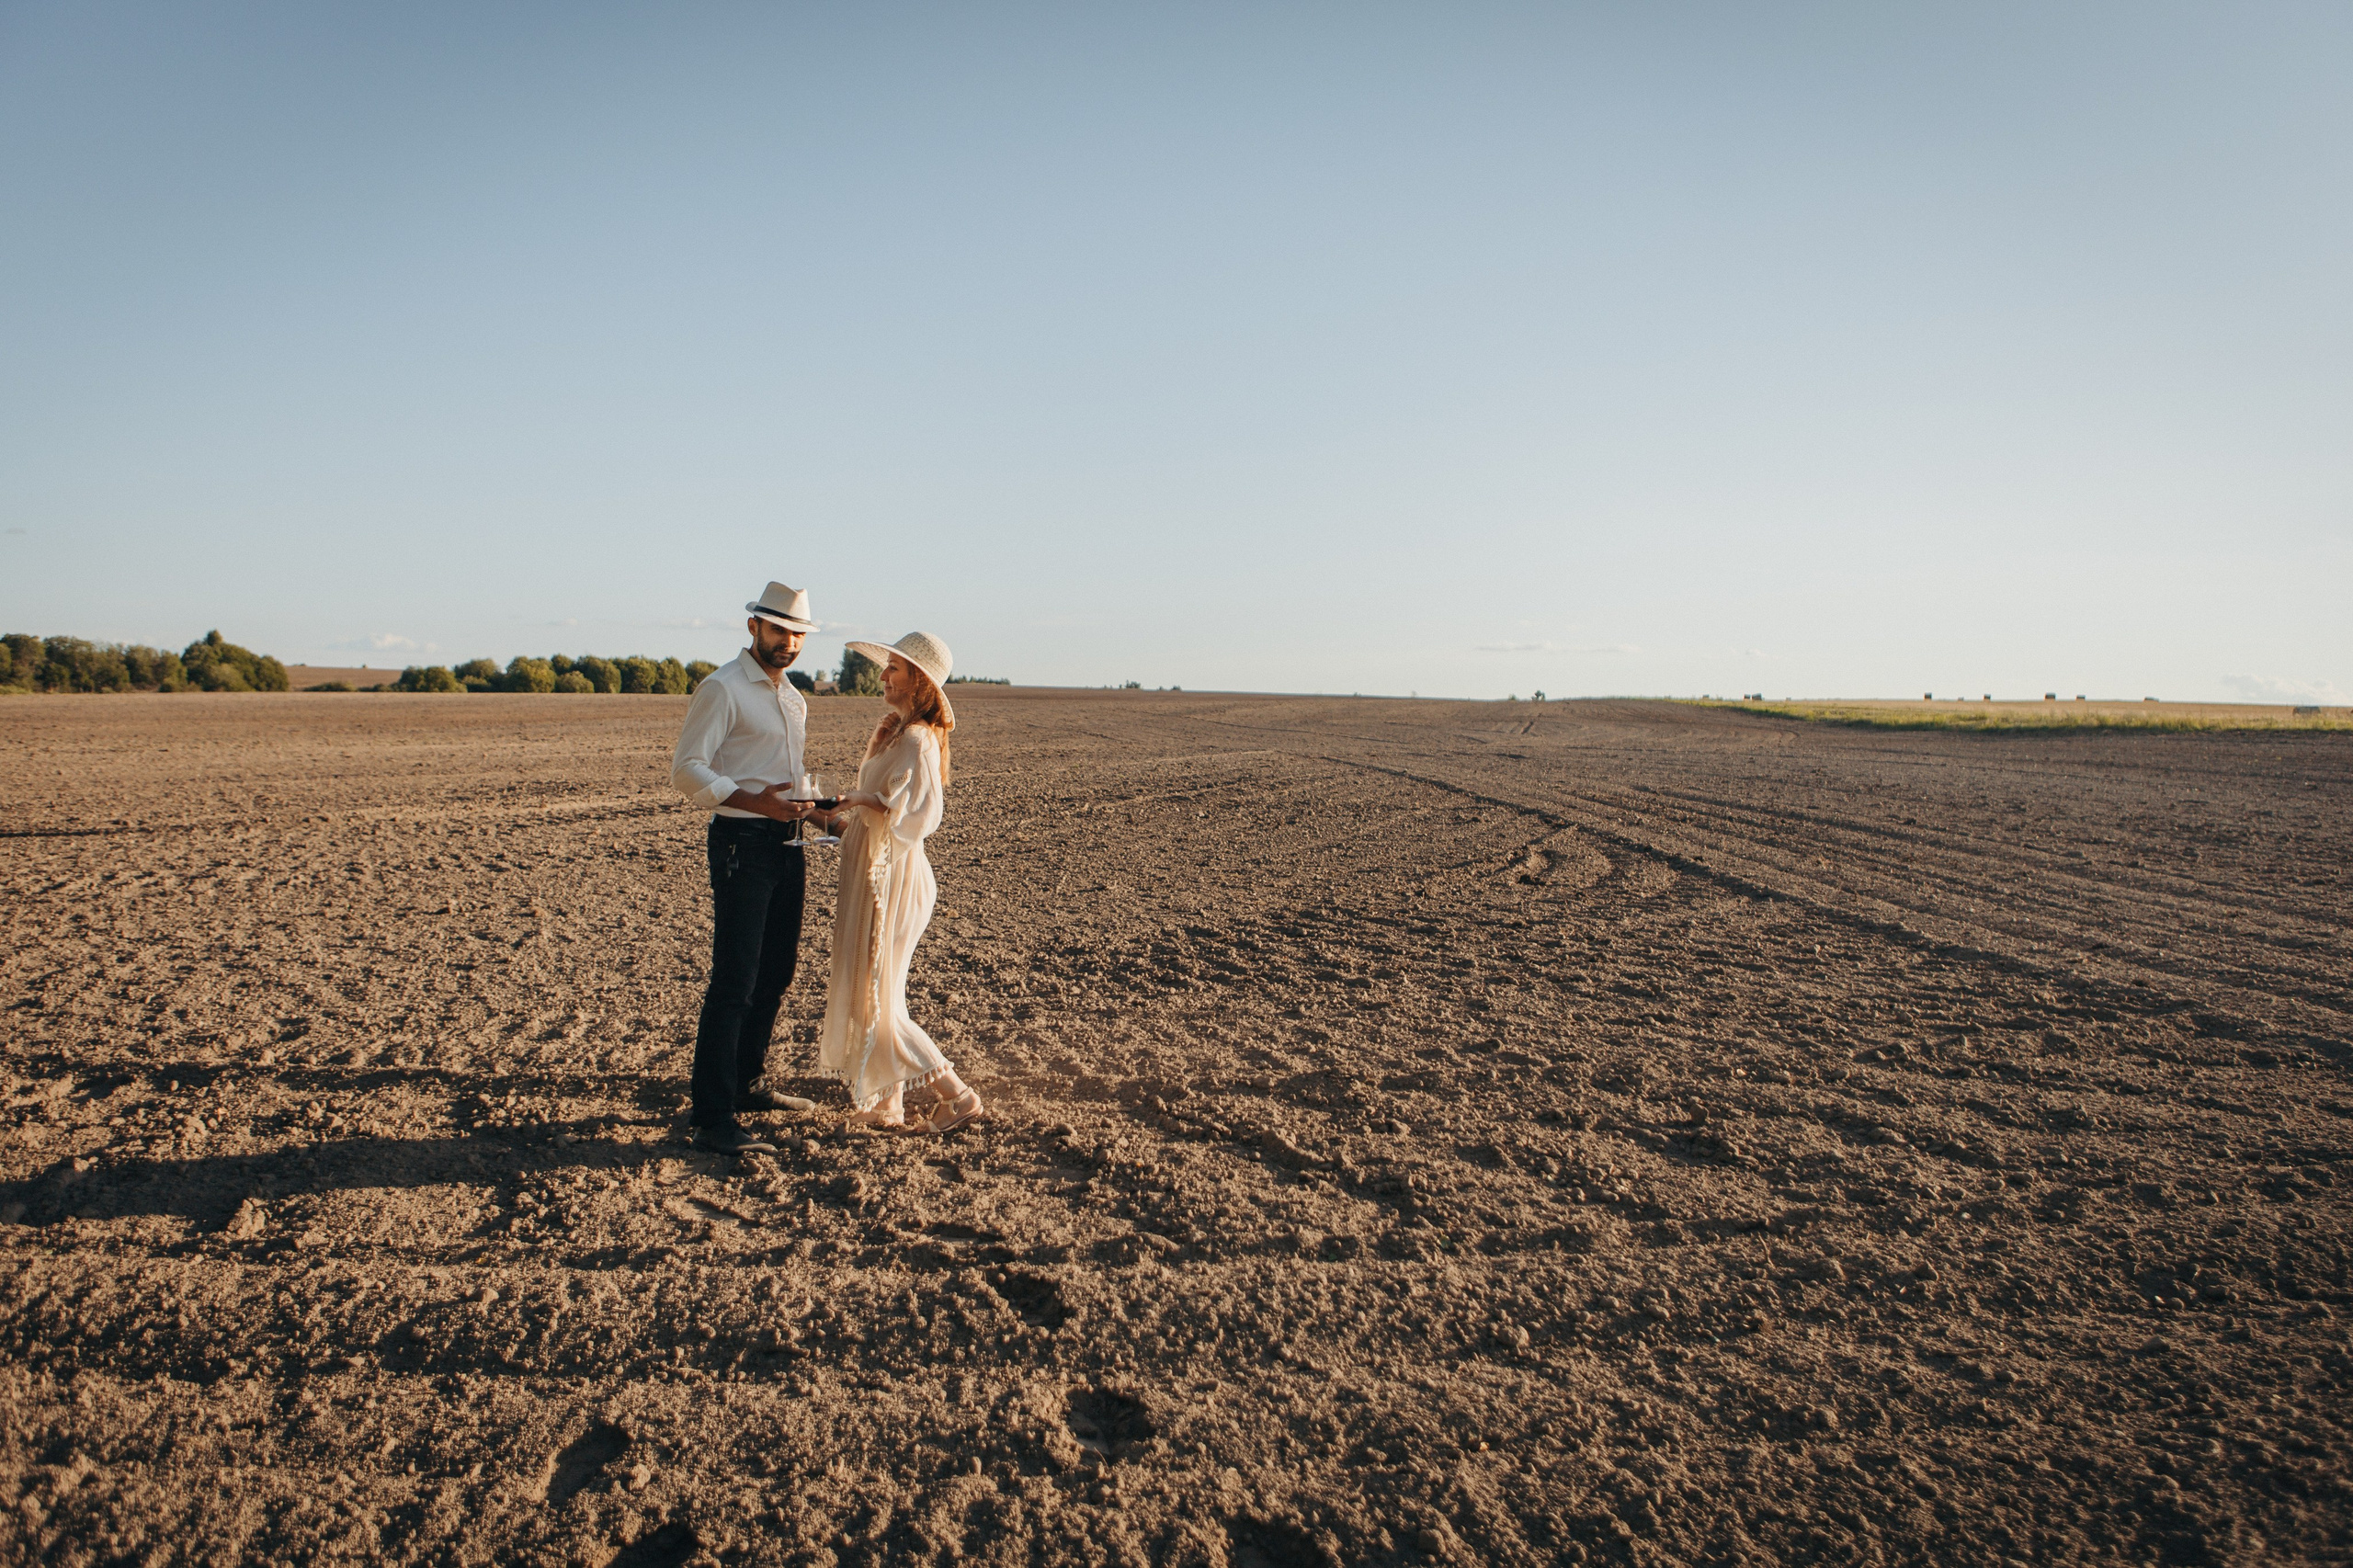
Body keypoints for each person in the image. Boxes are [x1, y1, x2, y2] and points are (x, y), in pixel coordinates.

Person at [669, 582, 823, 1156]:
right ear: (753, 627)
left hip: (788, 844)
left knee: (775, 974)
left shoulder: (793, 698)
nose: (789, 642)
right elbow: (687, 771)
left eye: (799, 634)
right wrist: (757, 802)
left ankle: (748, 1086)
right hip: (740, 844)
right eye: (779, 630)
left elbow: (782, 777)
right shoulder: (723, 688)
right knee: (734, 982)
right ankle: (713, 1118)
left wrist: (817, 812)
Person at [813, 632, 984, 1132]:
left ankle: (956, 1095)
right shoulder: (899, 732)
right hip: (879, 871)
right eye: (886, 666)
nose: (883, 676)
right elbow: (882, 793)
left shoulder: (917, 738)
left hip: (893, 878)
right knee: (875, 994)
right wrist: (871, 755)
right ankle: (887, 1102)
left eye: (894, 668)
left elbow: (920, 814)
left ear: (919, 681)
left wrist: (858, 800)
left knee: (881, 1000)